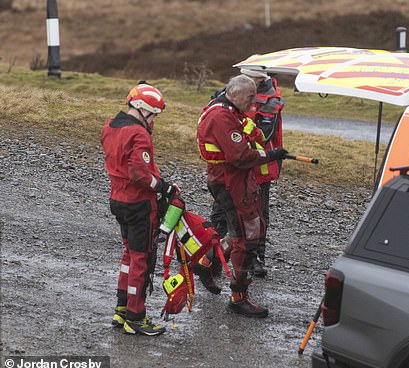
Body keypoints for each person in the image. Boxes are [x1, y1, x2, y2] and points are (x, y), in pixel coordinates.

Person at [195, 75, 287, 318]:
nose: (253, 103)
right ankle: (238, 297)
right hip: (229, 183)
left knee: (243, 233)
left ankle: (206, 263)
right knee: (245, 240)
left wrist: (258, 138)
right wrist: (270, 156)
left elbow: (250, 131)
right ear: (235, 94)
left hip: (238, 183)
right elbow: (239, 156)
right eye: (250, 98)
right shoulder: (221, 116)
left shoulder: (231, 111)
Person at [101, 82, 179, 336]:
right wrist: (164, 187)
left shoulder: (111, 126)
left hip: (118, 200)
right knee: (141, 260)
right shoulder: (139, 134)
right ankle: (136, 317)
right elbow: (139, 172)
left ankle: (121, 309)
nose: (155, 121)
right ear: (144, 109)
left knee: (129, 255)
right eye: (154, 115)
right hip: (139, 205)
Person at [207, 68, 285, 278]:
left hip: (258, 169)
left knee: (257, 217)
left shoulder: (271, 100)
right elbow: (236, 149)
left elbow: (265, 135)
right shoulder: (226, 103)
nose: (250, 104)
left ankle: (254, 258)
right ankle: (211, 258)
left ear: (260, 79)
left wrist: (258, 146)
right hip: (234, 171)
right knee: (226, 217)